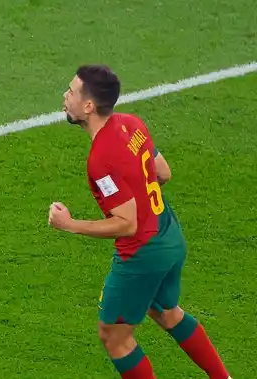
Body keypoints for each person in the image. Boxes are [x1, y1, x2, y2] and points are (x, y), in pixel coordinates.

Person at [49, 65, 231, 379]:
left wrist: (69, 224)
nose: (65, 96)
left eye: (71, 91)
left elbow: (127, 224)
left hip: (142, 254)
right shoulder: (131, 124)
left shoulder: (101, 159)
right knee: (166, 312)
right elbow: (163, 173)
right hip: (169, 235)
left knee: (114, 338)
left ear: (89, 106)